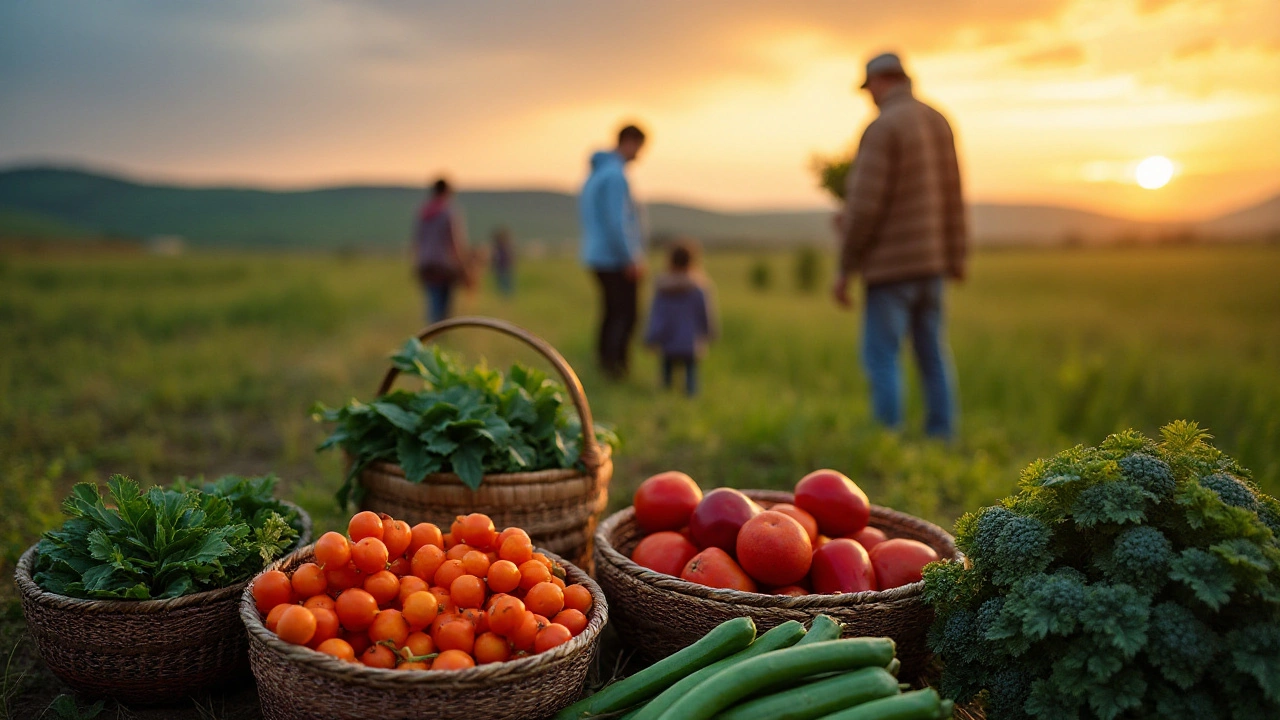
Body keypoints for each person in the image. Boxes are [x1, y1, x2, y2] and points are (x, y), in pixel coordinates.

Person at [832, 52, 967, 439]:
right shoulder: (938, 120)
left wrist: (845, 267)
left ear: (880, 81)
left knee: (882, 357)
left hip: (891, 269)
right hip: (934, 264)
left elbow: (865, 207)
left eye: (868, 87)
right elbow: (953, 195)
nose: (868, 96)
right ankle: (942, 437)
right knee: (933, 354)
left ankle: (886, 439)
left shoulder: (882, 127)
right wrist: (956, 257)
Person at [580, 124, 647, 379]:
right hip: (614, 258)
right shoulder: (615, 176)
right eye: (639, 147)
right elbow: (617, 221)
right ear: (629, 141)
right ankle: (616, 368)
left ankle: (604, 362)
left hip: (597, 255)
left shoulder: (596, 174)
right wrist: (631, 257)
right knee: (626, 314)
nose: (639, 155)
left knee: (610, 312)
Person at [644, 240, 716, 397]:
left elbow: (657, 315)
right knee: (691, 378)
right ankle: (691, 400)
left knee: (666, 377)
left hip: (667, 341)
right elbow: (705, 313)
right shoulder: (699, 287)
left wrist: (651, 337)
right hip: (690, 341)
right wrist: (710, 333)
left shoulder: (662, 287)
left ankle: (664, 400)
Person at [413, 178, 470, 324]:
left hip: (426, 264)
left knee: (433, 302)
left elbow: (417, 240)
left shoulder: (424, 212)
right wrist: (463, 266)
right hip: (445, 266)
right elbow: (454, 242)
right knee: (443, 308)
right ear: (447, 191)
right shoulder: (448, 212)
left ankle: (432, 335)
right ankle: (439, 337)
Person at [491, 226, 515, 297]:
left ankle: (506, 296)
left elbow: (510, 258)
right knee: (503, 283)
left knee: (505, 283)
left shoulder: (504, 248)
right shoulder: (502, 248)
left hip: (504, 267)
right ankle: (505, 296)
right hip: (502, 267)